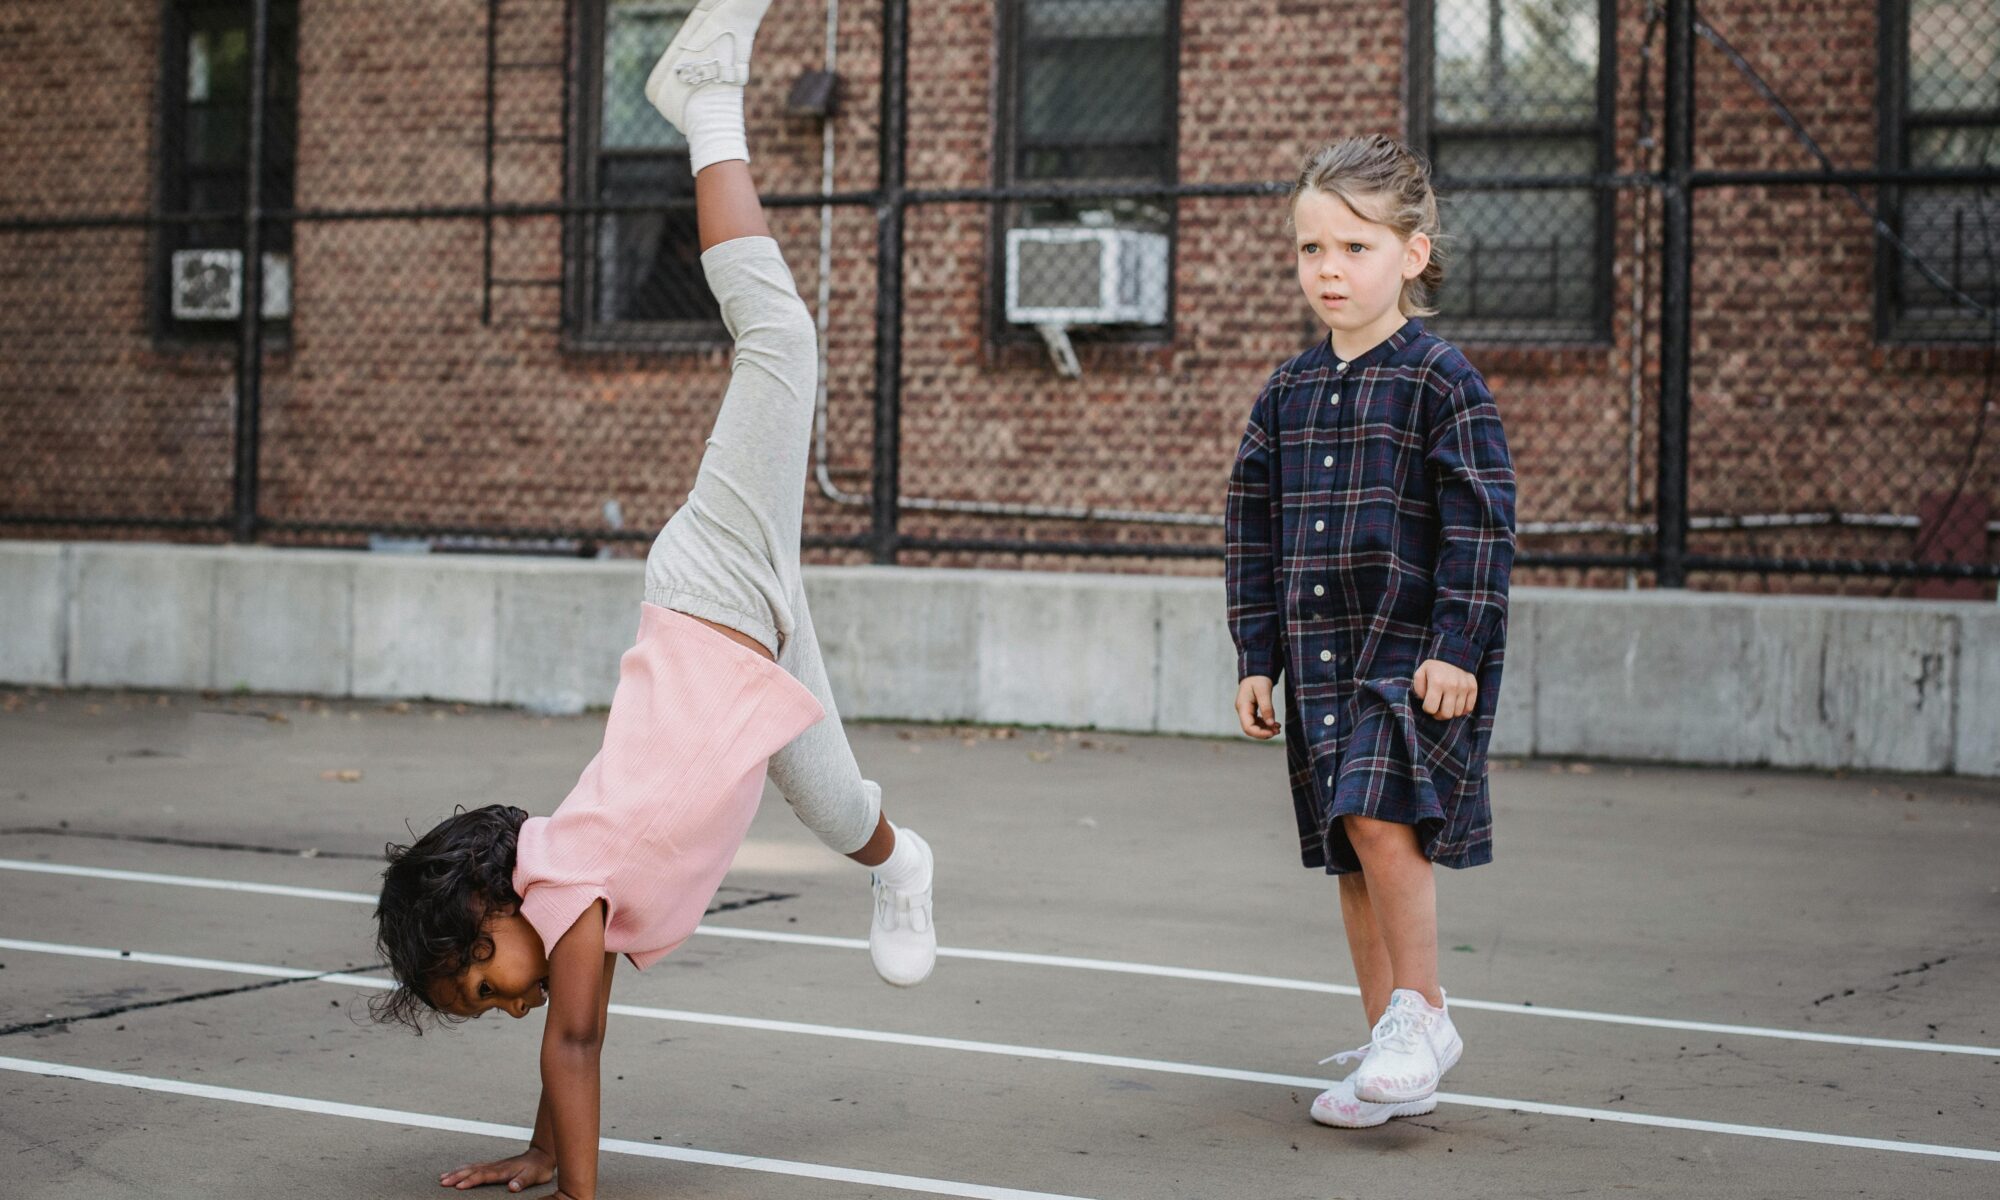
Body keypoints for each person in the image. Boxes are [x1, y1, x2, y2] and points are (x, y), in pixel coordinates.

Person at [368, 4, 936, 1195]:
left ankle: (707, 93)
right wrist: (538, 1147)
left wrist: (577, 1190)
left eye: (480, 982)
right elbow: (574, 1044)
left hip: (711, 591)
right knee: (835, 805)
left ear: (491, 906)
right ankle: (899, 861)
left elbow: (576, 1046)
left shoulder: (566, 889)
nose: (502, 1005)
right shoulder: (569, 907)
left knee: (780, 337)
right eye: (479, 1009)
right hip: (749, 640)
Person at [1225, 134, 1515, 1130]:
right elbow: (1250, 532)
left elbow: (1482, 521)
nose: (1328, 270)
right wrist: (1253, 658)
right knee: (1348, 844)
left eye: (1352, 248)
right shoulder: (1287, 392)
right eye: (1310, 250)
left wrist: (1456, 648)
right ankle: (1383, 1044)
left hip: (1407, 652)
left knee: (1383, 822)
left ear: (1412, 254)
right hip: (1314, 656)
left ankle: (1421, 1013)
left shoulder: (1440, 381)